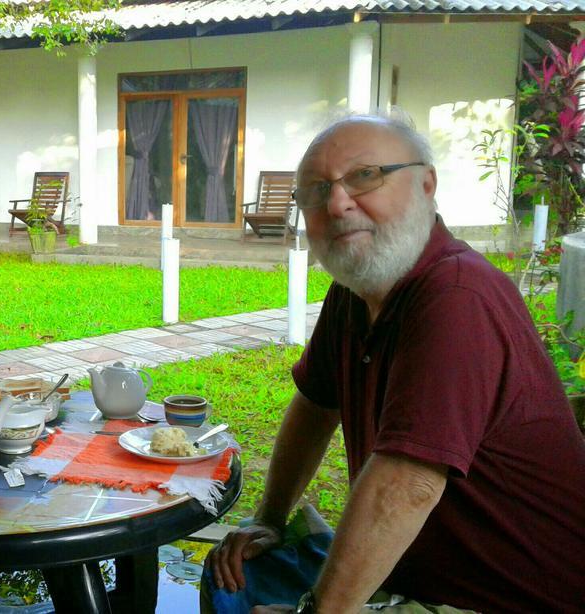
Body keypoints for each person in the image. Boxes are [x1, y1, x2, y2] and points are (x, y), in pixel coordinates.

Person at [203, 114, 585, 613]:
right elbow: (317, 404)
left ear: (426, 184)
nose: (337, 203)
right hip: (419, 577)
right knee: (230, 574)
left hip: (507, 597)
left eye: (365, 176)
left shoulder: (457, 295)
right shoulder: (356, 290)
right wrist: (270, 518)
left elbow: (409, 484)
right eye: (316, 191)